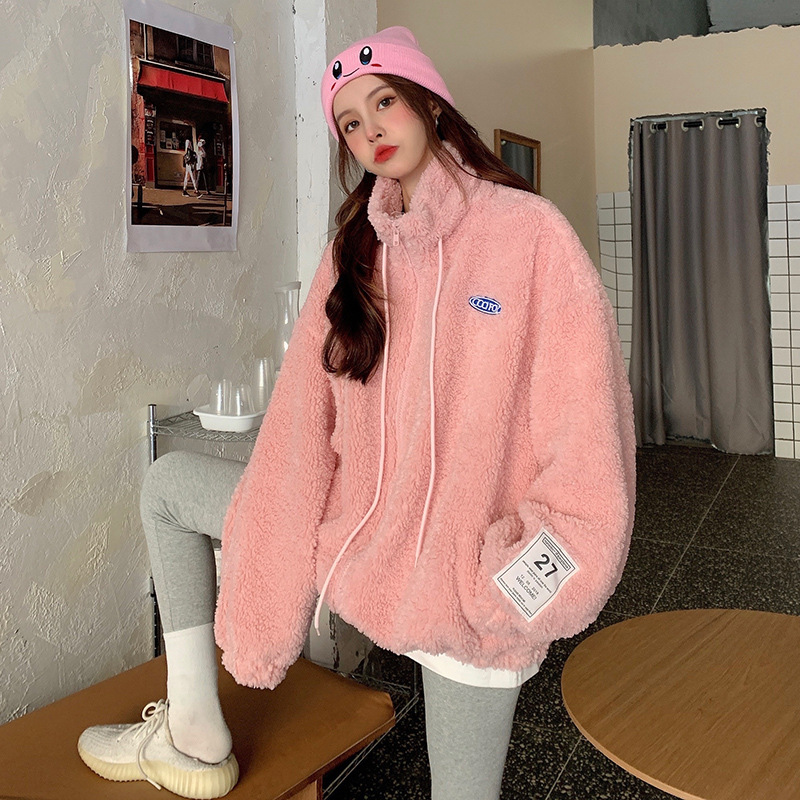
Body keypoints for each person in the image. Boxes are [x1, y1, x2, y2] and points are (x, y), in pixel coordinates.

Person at [77, 26, 635, 800]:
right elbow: (298, 426)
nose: (370, 128)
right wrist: (271, 592)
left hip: (465, 586)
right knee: (168, 486)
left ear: (430, 104)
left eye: (384, 102)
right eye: (349, 121)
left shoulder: (530, 236)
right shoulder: (354, 255)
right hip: (355, 542)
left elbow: (588, 454)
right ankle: (193, 733)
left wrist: (502, 589)